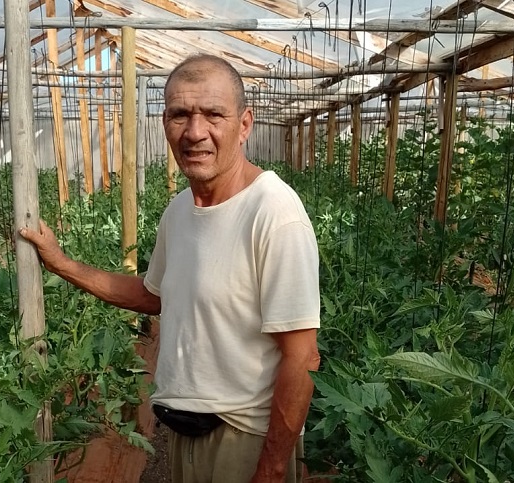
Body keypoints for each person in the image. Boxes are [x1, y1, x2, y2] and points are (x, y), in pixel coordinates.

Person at [19, 54, 320, 483]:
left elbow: (302, 356)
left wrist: (270, 471)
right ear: (165, 124)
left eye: (213, 114)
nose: (196, 132)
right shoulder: (179, 211)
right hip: (183, 432)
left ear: (245, 124)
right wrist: (62, 264)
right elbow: (153, 295)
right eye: (180, 115)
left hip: (242, 440)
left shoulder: (273, 213)